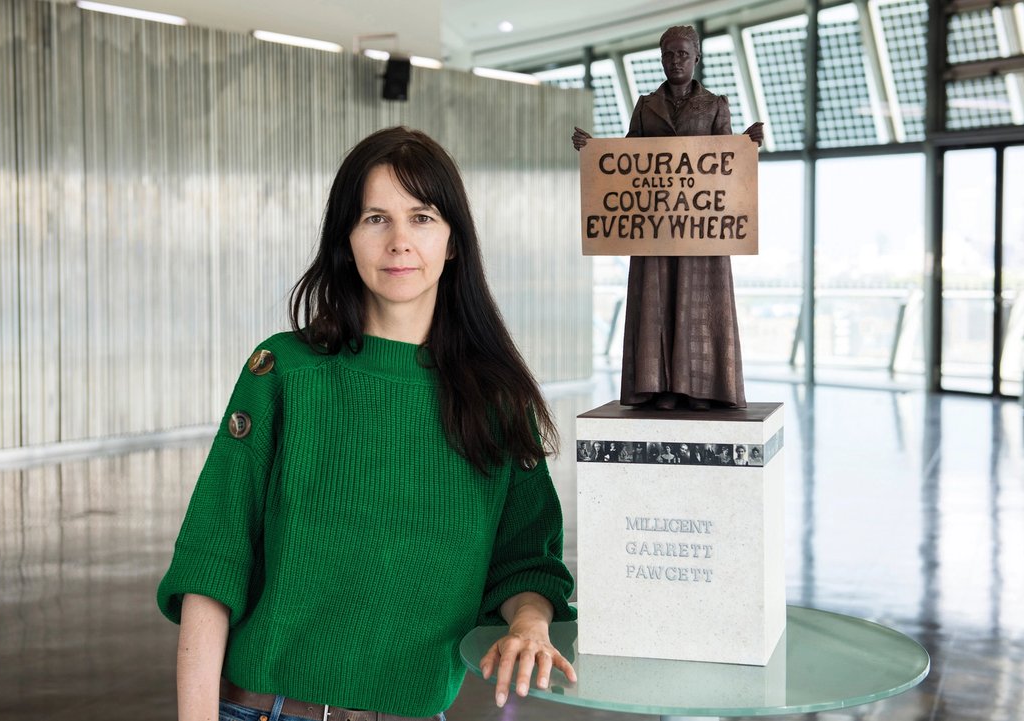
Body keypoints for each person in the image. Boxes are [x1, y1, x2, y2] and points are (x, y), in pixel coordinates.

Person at [157, 127, 577, 721]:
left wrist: (532, 623)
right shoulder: (283, 371)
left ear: (454, 241)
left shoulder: (497, 401)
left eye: (423, 217)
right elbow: (214, 558)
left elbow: (525, 563)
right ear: (347, 239)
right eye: (376, 218)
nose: (400, 242)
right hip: (262, 710)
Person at [572, 25, 763, 411]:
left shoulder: (714, 105)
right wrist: (595, 150)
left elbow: (724, 163)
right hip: (655, 228)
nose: (674, 61)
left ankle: (701, 387)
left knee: (699, 302)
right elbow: (627, 163)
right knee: (655, 303)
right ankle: (657, 386)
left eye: (681, 54)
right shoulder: (646, 105)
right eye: (667, 55)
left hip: (699, 230)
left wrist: (746, 143)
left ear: (696, 58)